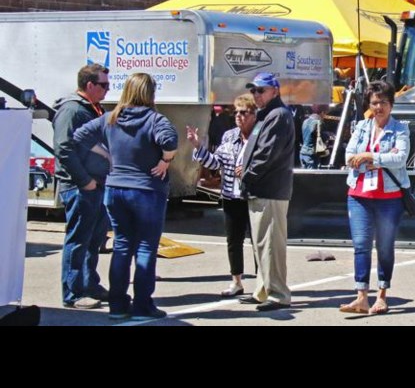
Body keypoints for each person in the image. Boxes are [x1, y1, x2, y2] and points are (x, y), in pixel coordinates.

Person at [72, 73, 178, 320]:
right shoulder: (155, 119)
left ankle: (118, 305)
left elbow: (79, 137)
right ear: (150, 93)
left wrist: (108, 155)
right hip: (146, 191)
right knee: (145, 247)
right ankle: (143, 305)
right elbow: (170, 141)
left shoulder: (110, 118)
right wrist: (166, 160)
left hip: (115, 189)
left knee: (121, 246)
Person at [339, 80, 411, 316]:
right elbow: (349, 155)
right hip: (358, 194)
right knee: (361, 245)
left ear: (391, 104)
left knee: (384, 246)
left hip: (389, 196)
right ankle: (361, 297)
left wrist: (370, 156)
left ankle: (381, 295)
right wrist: (374, 156)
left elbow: (400, 158)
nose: (378, 107)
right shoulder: (361, 126)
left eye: (382, 103)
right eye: (374, 103)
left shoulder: (400, 129)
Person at [53, 63, 112, 310]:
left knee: (94, 238)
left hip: (96, 184)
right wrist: (84, 181)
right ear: (89, 85)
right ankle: (73, 292)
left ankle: (89, 284)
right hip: (80, 186)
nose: (108, 90)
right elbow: (63, 148)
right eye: (104, 85)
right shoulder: (72, 110)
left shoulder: (93, 108)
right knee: (78, 239)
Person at [186, 94, 257, 297]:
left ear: (253, 115)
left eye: (243, 112)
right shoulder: (229, 136)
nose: (238, 116)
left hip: (253, 196)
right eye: (236, 112)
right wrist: (197, 145)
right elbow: (216, 164)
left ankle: (262, 281)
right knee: (233, 241)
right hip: (230, 195)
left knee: (257, 242)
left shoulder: (259, 137)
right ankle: (236, 281)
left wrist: (248, 169)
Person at [237, 72, 296, 312]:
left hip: (270, 188)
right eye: (253, 91)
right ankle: (263, 289)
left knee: (271, 243)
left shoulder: (278, 115)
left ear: (275, 91)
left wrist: (247, 176)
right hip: (261, 187)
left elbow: (266, 155)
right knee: (261, 243)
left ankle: (278, 294)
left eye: (260, 90)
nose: (256, 95)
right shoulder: (268, 115)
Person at [299, 104, 327, 168]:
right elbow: (322, 138)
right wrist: (327, 136)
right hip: (312, 154)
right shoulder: (319, 123)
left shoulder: (305, 121)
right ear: (322, 112)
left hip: (303, 152)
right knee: (311, 177)